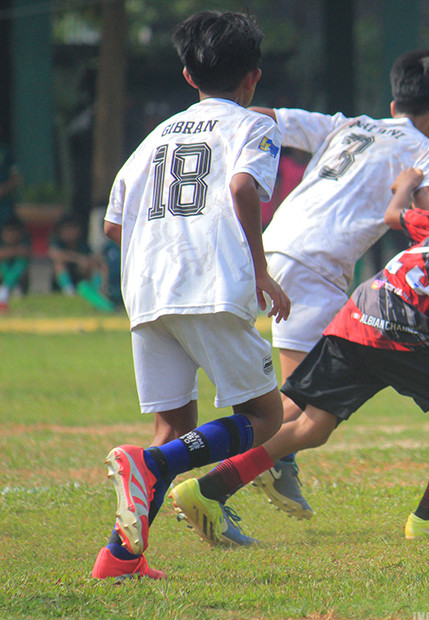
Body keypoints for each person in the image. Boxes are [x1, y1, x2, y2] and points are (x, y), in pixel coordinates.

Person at [166, 152, 429, 542]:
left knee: (312, 425)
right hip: (401, 326)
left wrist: (407, 184)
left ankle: (206, 489)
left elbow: (395, 216)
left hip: (363, 306)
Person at [91, 10, 289, 580]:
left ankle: (120, 558)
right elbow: (243, 185)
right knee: (265, 415)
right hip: (210, 283)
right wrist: (260, 270)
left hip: (148, 291)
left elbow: (113, 223)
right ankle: (147, 466)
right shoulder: (254, 125)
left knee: (174, 430)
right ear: (253, 77)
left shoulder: (155, 137)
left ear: (187, 76)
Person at [246, 49, 429, 517]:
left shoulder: (349, 124)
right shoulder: (428, 152)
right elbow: (428, 219)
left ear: (394, 107)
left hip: (272, 245)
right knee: (304, 403)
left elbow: (269, 116)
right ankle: (203, 468)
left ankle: (273, 467)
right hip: (315, 264)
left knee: (300, 394)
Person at [48, 215, 111, 311]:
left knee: (96, 265)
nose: (70, 233)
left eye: (73, 229)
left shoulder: (82, 245)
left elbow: (93, 258)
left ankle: (98, 291)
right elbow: (55, 254)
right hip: (63, 281)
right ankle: (69, 291)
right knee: (59, 264)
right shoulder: (57, 243)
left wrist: (87, 263)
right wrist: (78, 259)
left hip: (82, 278)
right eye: (67, 229)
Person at [0, 217, 30, 311]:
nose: (12, 235)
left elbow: (26, 253)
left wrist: (7, 252)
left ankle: (6, 289)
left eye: (15, 232)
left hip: (21, 281)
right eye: (9, 232)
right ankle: (6, 289)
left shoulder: (25, 241)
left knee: (21, 262)